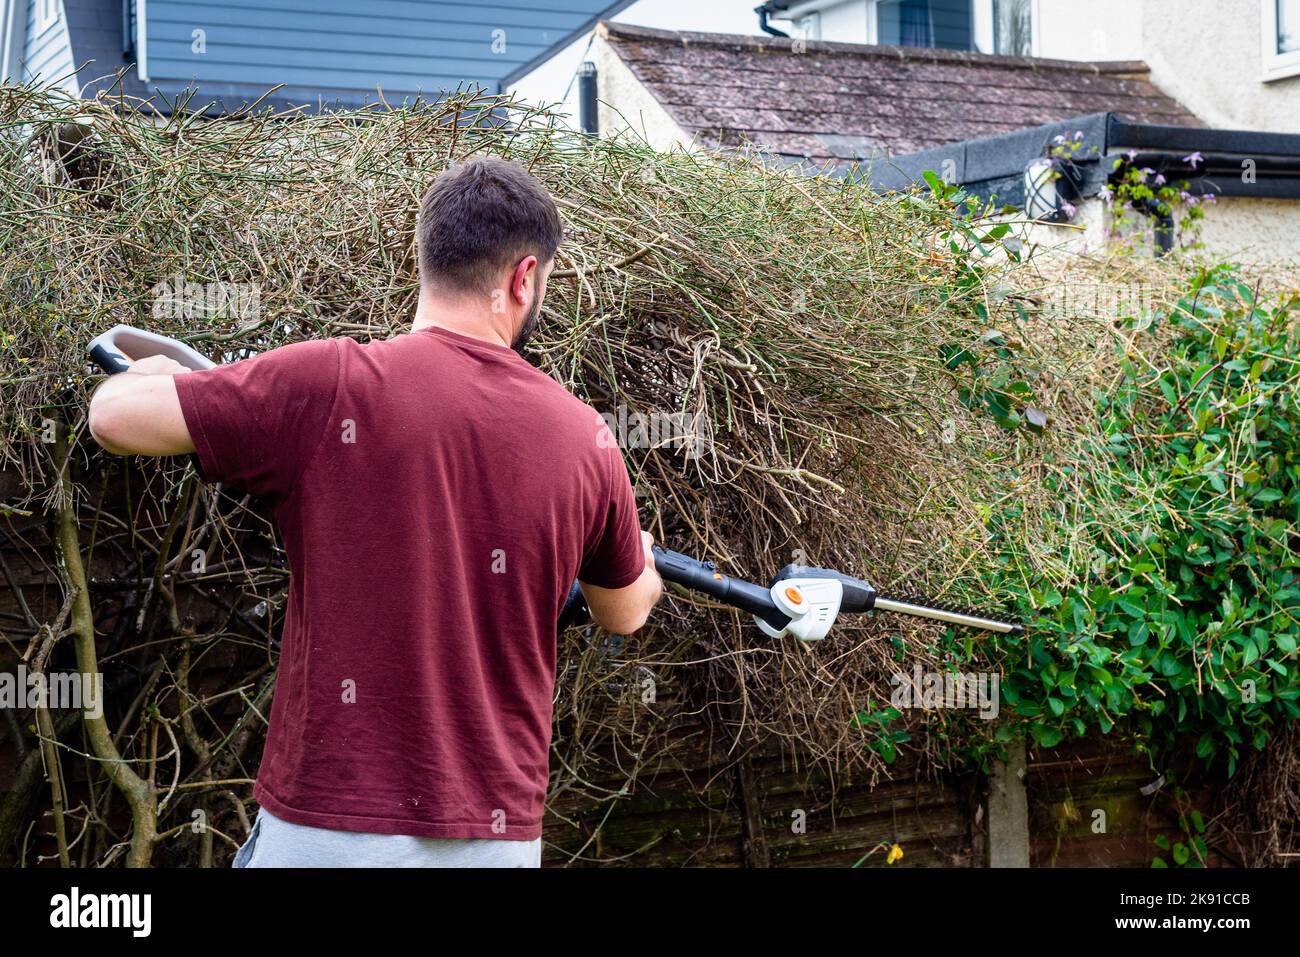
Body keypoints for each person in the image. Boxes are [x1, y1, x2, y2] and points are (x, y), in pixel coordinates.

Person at [87, 156, 663, 867]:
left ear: (425, 258)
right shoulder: (586, 439)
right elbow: (626, 610)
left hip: (327, 828)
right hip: (495, 837)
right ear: (523, 277)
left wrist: (161, 372)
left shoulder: (328, 384)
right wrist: (638, 551)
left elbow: (112, 415)